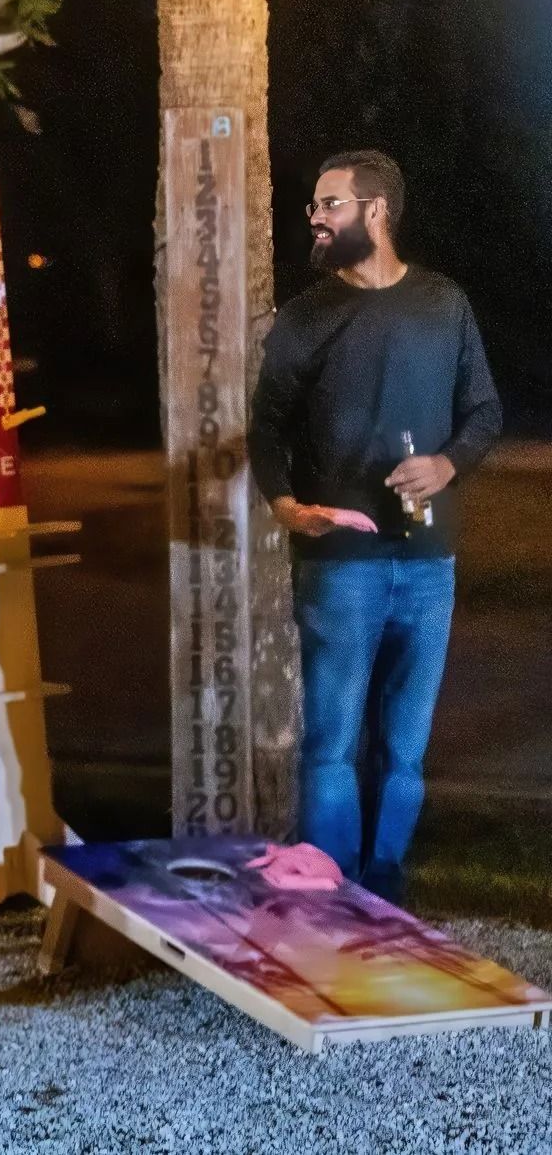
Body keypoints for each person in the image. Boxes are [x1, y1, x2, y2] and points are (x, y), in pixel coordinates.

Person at [251, 150, 501, 903]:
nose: (316, 219)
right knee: (330, 744)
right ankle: (330, 891)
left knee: (405, 751)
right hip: (341, 566)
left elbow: (484, 411)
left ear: (376, 211)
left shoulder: (443, 303)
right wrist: (285, 504)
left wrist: (447, 466)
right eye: (314, 207)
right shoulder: (306, 317)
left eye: (329, 204)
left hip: (429, 561)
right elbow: (266, 428)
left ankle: (385, 890)